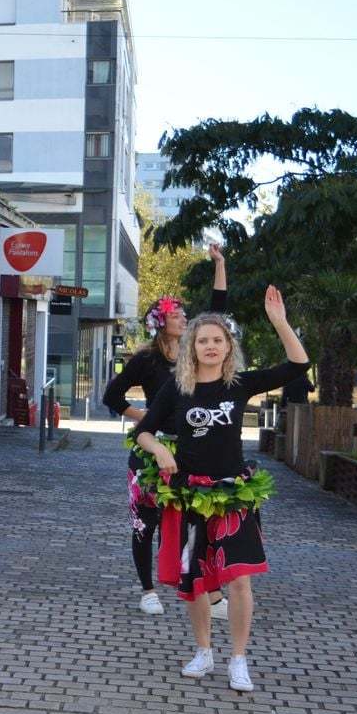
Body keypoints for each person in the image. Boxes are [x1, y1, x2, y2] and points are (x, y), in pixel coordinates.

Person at [134, 287, 308, 693]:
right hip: (189, 495)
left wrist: (280, 322)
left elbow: (299, 364)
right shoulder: (177, 388)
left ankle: (239, 659)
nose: (210, 346)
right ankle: (203, 651)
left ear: (228, 347)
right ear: (191, 348)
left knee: (239, 580)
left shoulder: (240, 384)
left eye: (217, 340)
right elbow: (143, 431)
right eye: (203, 341)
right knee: (194, 580)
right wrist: (159, 448)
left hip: (232, 496)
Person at [102, 244, 229, 618]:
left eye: (184, 314)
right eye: (176, 314)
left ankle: (207, 591)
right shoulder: (146, 359)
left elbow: (217, 312)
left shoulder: (193, 355)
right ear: (161, 322)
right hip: (151, 449)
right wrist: (142, 416)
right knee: (146, 523)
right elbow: (112, 395)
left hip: (190, 449)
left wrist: (219, 265)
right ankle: (148, 590)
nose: (184, 318)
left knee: (195, 520)